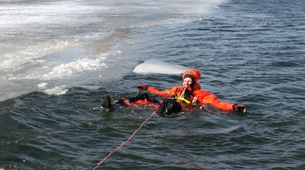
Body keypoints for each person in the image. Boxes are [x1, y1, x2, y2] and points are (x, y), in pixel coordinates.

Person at [102, 69, 247, 116]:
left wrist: (233, 106)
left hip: (180, 110)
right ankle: (114, 106)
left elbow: (218, 104)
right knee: (143, 97)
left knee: (172, 105)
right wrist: (147, 88)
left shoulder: (202, 95)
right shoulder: (176, 89)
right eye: (185, 81)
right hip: (162, 105)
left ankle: (156, 118)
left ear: (195, 83)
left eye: (190, 82)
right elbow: (162, 93)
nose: (187, 83)